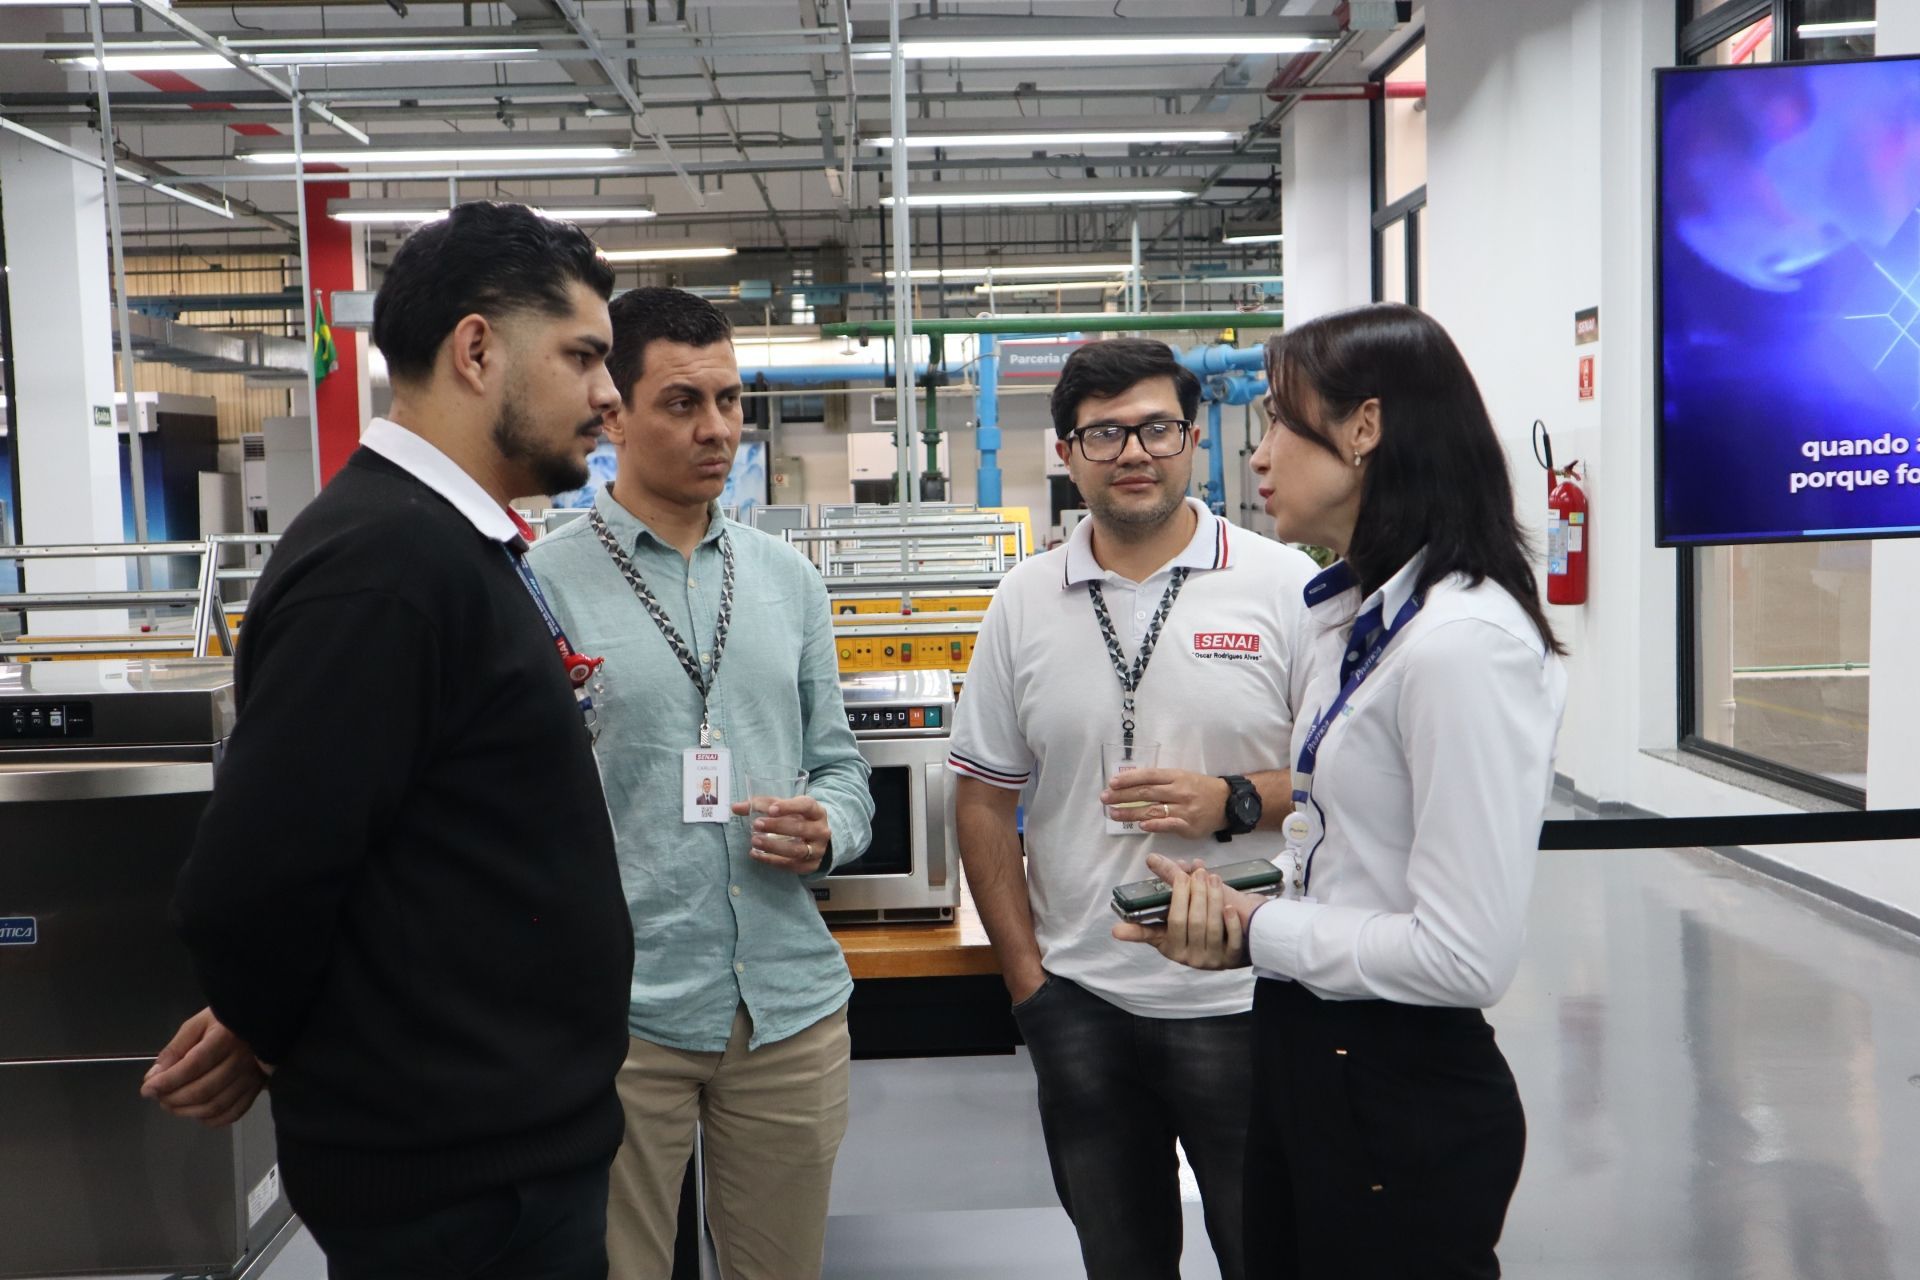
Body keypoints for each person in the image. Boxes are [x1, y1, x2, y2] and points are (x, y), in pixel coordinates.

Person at [162, 201, 634, 1280]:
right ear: (477, 349)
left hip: (497, 1155)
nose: (609, 393)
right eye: (584, 355)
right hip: (455, 1184)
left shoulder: (451, 549)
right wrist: (268, 1024)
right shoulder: (384, 571)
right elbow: (250, 882)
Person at [1116, 303, 1569, 1279]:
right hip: (1308, 1059)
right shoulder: (1351, 620)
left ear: (1364, 428)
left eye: (1280, 417)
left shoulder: (1462, 645)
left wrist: (1256, 931)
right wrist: (1241, 904)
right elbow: (1355, 861)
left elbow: (1463, 954)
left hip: (1398, 1097)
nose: (1261, 448)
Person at [949, 337, 1317, 1280]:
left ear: (1193, 437)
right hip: (1085, 1005)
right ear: (1067, 454)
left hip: (1254, 993)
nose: (1134, 452)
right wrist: (1031, 985)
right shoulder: (1024, 601)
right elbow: (983, 798)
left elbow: (1348, 779)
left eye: (1157, 427)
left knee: (1272, 1252)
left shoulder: (1285, 587)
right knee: (1120, 1261)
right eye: (1104, 434)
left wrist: (1232, 798)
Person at [526, 286, 873, 1280]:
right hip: (619, 1014)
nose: (717, 427)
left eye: (729, 399)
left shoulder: (787, 579)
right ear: (614, 412)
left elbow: (842, 767)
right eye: (683, 402)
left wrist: (830, 828)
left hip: (787, 1005)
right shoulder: (540, 584)